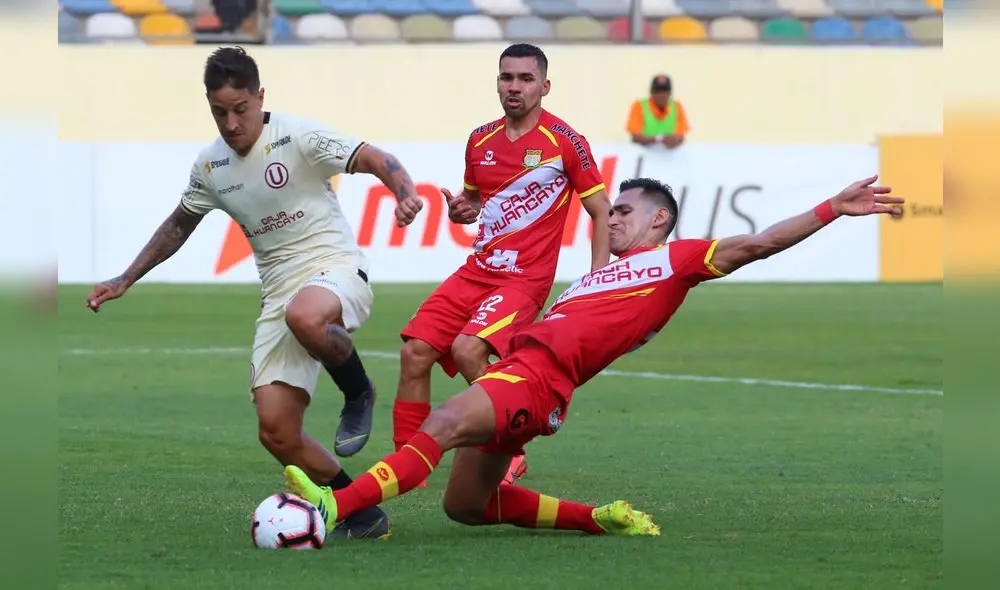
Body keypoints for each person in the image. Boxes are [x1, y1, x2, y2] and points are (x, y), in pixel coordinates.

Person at [282, 173, 904, 537]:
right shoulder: (596, 277)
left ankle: (335, 506)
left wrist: (832, 209)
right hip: (525, 379)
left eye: (625, 212)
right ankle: (599, 519)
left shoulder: (678, 261)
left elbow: (761, 242)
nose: (613, 220)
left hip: (537, 382)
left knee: (443, 423)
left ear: (660, 220)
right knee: (465, 507)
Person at [84, 46, 425, 540]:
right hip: (279, 291)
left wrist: (405, 193)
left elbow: (377, 158)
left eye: (240, 109)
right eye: (218, 112)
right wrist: (124, 279)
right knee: (277, 431)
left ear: (259, 97)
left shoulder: (297, 135)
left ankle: (359, 391)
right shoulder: (211, 166)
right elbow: (179, 224)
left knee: (305, 316)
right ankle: (360, 511)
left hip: (335, 267)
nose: (231, 123)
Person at [389, 43, 612, 487]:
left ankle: (513, 447)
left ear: (545, 86)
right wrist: (462, 210)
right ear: (497, 83)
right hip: (478, 269)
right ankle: (404, 466)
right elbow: (475, 201)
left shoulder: (565, 142)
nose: (515, 87)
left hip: (524, 279)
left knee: (467, 349)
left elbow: (601, 210)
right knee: (414, 352)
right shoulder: (480, 140)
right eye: (507, 78)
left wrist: (597, 279)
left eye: (526, 79)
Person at [626, 74, 689, 150]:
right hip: (645, 153)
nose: (661, 95)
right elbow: (635, 137)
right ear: (651, 92)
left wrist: (675, 140)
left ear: (670, 93)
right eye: (657, 91)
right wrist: (658, 139)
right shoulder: (639, 106)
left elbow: (681, 136)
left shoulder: (676, 106)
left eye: (665, 91)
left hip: (669, 154)